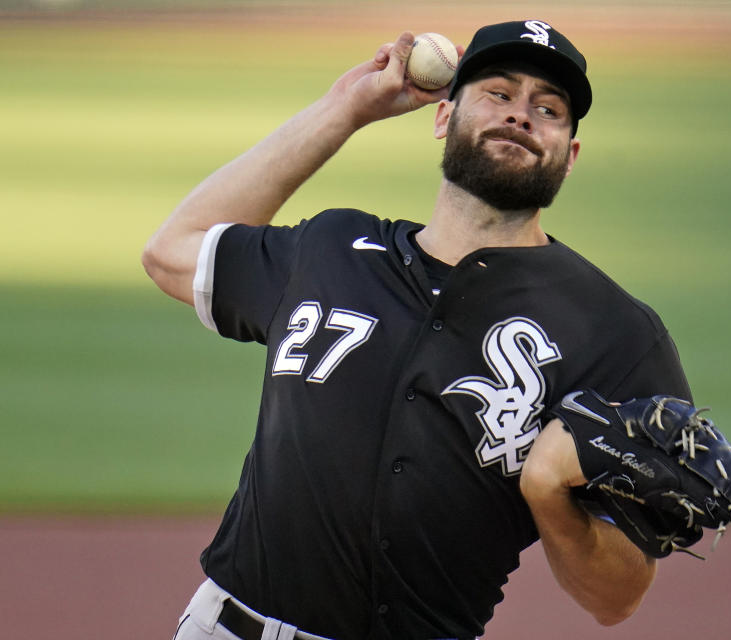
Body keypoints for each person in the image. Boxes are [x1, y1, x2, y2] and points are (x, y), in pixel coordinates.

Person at [143, 19, 692, 640]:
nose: (520, 116)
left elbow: (617, 597)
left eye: (548, 108)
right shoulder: (330, 249)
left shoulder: (614, 333)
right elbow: (171, 252)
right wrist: (344, 109)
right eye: (498, 94)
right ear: (443, 116)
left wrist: (548, 494)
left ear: (568, 157)